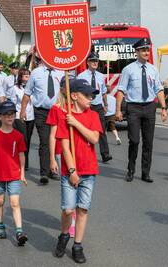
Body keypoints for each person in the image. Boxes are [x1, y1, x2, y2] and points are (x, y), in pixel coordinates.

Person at [54, 79, 102, 264]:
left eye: (92, 95)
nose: (90, 98)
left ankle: (77, 245)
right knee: (68, 210)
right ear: (74, 96)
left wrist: (77, 123)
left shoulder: (93, 115)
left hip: (89, 170)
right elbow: (65, 147)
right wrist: (72, 170)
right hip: (70, 172)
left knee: (83, 209)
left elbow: (94, 138)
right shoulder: (64, 116)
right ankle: (64, 235)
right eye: (87, 95)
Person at [116, 38, 168, 183]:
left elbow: (159, 89)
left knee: (148, 142)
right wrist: (118, 110)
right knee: (134, 140)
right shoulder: (128, 69)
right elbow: (121, 90)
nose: (146, 52)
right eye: (143, 50)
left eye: (147, 50)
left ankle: (146, 173)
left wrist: (163, 108)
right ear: (137, 52)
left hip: (150, 107)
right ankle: (131, 170)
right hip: (133, 108)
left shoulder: (153, 69)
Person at [0, 100, 28, 246]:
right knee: (0, 201)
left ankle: (19, 231)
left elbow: (22, 155)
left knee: (15, 202)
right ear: (0, 117)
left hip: (14, 175)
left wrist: (22, 172)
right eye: (6, 115)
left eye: (12, 114)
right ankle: (0, 224)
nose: (10, 117)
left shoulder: (18, 135)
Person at [20, 57, 64, 185]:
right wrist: (22, 111)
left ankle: (53, 169)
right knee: (45, 141)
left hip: (57, 111)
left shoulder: (61, 72)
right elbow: (27, 93)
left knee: (56, 141)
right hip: (41, 112)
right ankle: (44, 172)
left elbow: (66, 92)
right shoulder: (36, 73)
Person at [77, 51, 112, 162]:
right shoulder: (81, 76)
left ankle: (105, 154)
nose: (95, 63)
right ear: (88, 62)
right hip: (86, 106)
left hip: (97, 106)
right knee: (84, 130)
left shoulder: (101, 76)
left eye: (96, 61)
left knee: (101, 130)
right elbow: (79, 93)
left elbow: (103, 92)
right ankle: (84, 152)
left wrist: (105, 104)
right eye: (92, 61)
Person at [10, 68, 34, 171]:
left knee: (28, 140)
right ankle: (20, 161)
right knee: (23, 139)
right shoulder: (15, 88)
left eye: (29, 75)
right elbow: (13, 103)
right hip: (19, 116)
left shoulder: (33, 88)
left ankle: (25, 161)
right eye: (25, 76)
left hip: (31, 115)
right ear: (20, 77)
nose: (28, 77)